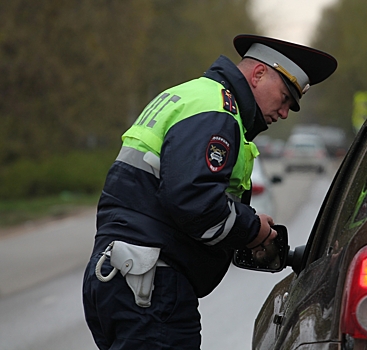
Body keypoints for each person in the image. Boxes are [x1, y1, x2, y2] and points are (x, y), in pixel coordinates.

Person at [82, 34, 337, 349]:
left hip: (118, 276)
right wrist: (253, 229)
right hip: (152, 287)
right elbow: (195, 202)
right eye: (284, 98)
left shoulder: (188, 95)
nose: (284, 112)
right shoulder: (217, 110)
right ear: (258, 75)